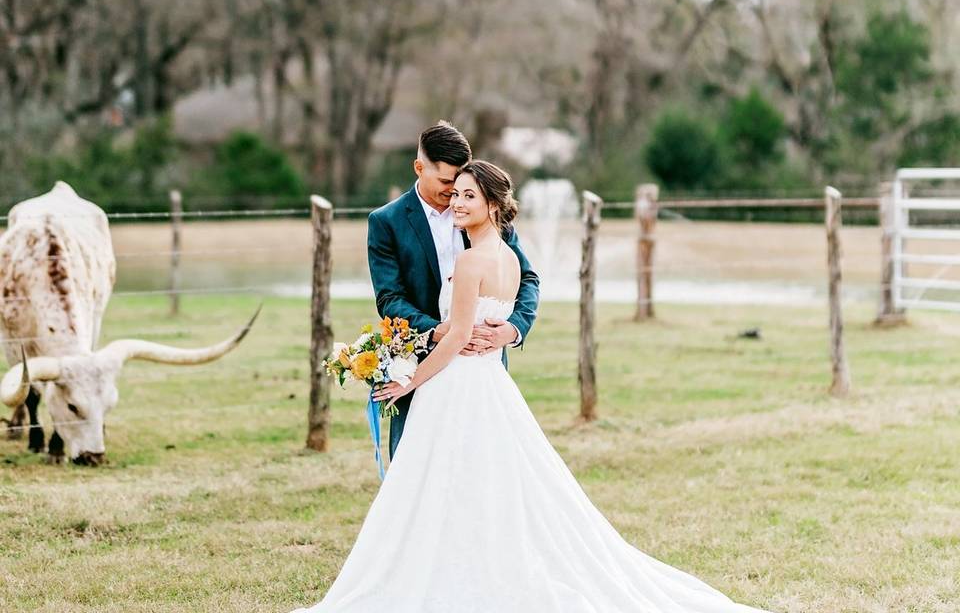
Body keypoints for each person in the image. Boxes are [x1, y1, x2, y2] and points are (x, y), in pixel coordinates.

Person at [291, 161, 771, 613]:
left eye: (467, 197)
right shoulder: (508, 261)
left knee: (441, 480)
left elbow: (457, 335)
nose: (456, 204)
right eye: (454, 195)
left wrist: (408, 381)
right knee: (489, 479)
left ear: (492, 205)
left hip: (456, 385)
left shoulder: (471, 263)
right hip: (490, 383)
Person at [365, 121, 540, 460]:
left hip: (480, 366)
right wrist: (438, 331)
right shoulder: (387, 222)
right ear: (419, 168)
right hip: (419, 359)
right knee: (414, 465)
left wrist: (513, 329)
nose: (455, 193)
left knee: (485, 465)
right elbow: (389, 298)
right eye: (447, 182)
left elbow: (528, 278)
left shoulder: (489, 215)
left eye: (462, 183)